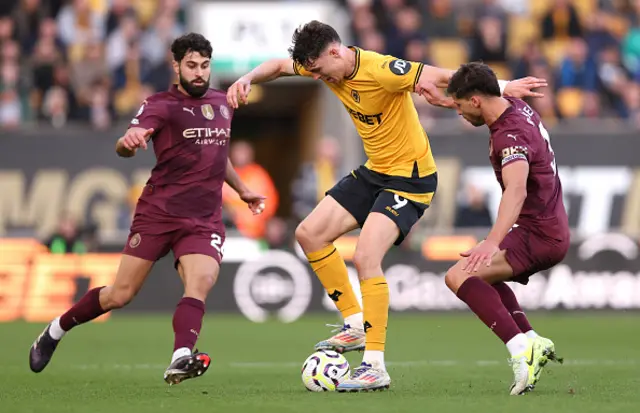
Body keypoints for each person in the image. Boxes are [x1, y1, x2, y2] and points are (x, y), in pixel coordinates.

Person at [226, 20, 546, 392]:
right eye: (309, 71)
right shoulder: (320, 66)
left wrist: (505, 88)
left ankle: (374, 366)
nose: (315, 78)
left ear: (335, 52)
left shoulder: (381, 69)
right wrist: (246, 78)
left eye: (316, 70)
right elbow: (279, 66)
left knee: (365, 256)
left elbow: (442, 74)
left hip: (411, 178)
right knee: (309, 233)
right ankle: (353, 325)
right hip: (376, 171)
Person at [28, 33, 266, 386]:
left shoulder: (222, 102)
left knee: (199, 281)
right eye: (191, 66)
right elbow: (130, 140)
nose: (199, 73)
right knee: (120, 294)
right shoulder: (161, 104)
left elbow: (217, 153)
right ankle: (56, 328)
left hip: (203, 219)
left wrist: (243, 189)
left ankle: (181, 356)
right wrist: (128, 143)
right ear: (176, 66)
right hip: (160, 212)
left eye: (204, 66)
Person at [443, 62, 568, 395]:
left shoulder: (509, 135)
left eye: (458, 106)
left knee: (459, 276)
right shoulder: (515, 105)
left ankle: (519, 351)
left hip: (538, 233)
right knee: (483, 276)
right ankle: (531, 340)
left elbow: (516, 189)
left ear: (476, 101)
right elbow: (480, 92)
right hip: (547, 225)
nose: (457, 112)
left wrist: (491, 241)